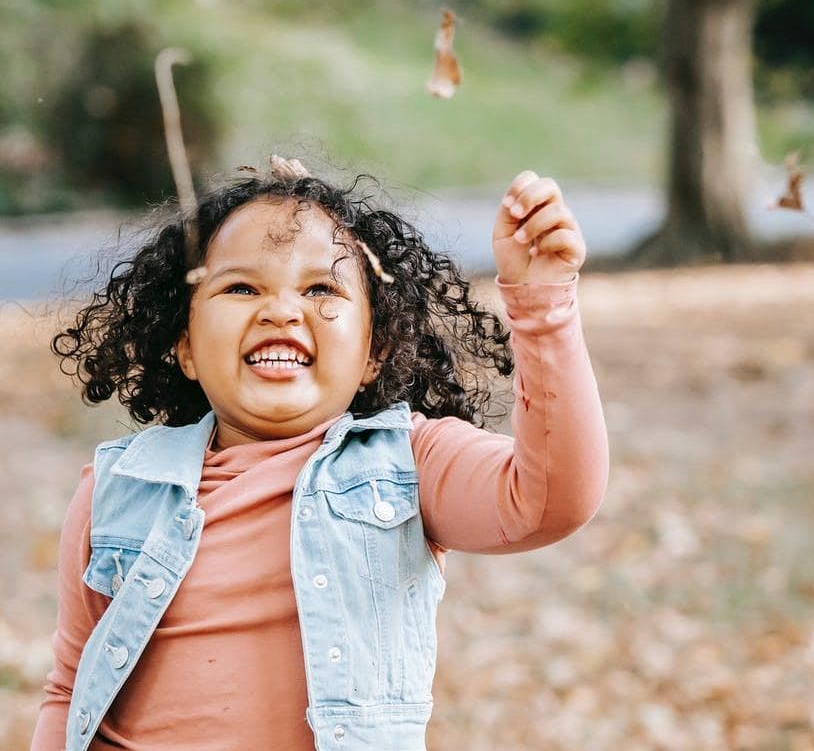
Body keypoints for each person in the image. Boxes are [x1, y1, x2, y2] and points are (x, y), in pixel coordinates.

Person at [31, 162, 608, 751]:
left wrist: (544, 310)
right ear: (185, 346)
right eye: (241, 287)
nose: (281, 310)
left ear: (373, 352)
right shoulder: (122, 485)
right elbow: (71, 688)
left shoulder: (407, 461)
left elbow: (549, 499)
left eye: (320, 289)